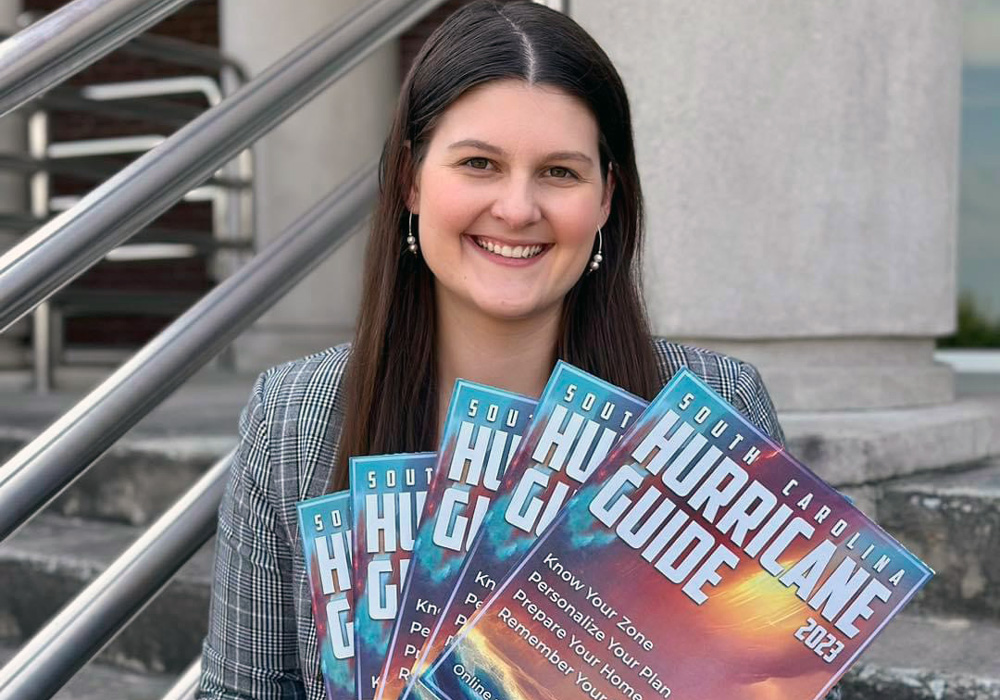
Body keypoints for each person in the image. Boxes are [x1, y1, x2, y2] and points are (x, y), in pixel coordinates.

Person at [197, 2, 840, 699]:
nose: (517, 209)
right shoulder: (291, 419)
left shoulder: (714, 408)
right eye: (480, 163)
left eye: (560, 173)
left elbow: (793, 683)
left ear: (605, 201)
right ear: (412, 180)